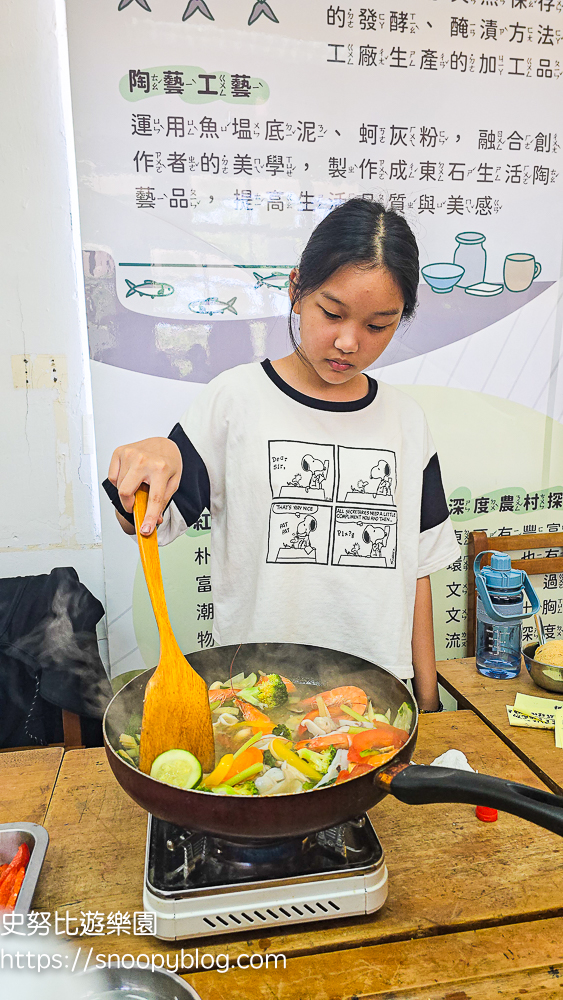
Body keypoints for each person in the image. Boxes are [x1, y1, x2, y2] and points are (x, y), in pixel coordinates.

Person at [104, 199, 460, 711]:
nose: (348, 341)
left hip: (379, 703)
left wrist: (429, 706)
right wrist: (146, 467)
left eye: (378, 325)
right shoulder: (235, 400)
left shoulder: (407, 421)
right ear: (296, 290)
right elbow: (140, 519)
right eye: (332, 313)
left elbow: (418, 574)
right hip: (257, 697)